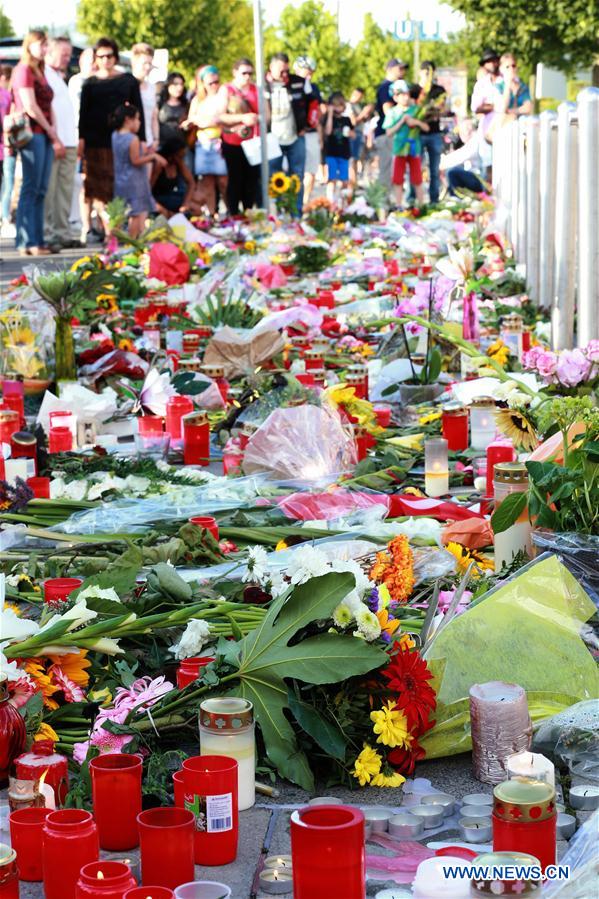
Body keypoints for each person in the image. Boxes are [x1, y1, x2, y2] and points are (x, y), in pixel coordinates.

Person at [79, 37, 145, 240]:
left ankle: (118, 229)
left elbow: (137, 109)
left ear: (115, 57)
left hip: (122, 140)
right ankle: (110, 232)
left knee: (121, 185)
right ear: (96, 58)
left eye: (109, 55)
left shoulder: (128, 80)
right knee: (99, 188)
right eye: (101, 56)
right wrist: (81, 139)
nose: (106, 59)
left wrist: (141, 139)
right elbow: (84, 114)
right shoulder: (90, 83)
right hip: (95, 142)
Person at [11, 30, 58, 256]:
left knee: (41, 189)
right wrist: (50, 131)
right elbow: (30, 105)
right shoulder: (23, 70)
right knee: (30, 188)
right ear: (29, 46)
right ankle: (25, 241)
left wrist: (53, 132)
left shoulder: (41, 71)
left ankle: (37, 240)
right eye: (41, 44)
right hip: (33, 134)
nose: (44, 49)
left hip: (46, 134)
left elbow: (50, 104)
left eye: (46, 45)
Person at [44, 37, 80, 251]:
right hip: (56, 140)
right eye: (64, 54)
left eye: (69, 55)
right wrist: (55, 138)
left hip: (69, 140)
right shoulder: (45, 75)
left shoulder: (59, 76)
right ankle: (48, 233)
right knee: (50, 189)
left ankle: (62, 231)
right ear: (51, 51)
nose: (68, 58)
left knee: (65, 190)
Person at [111, 103, 165, 237]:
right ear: (128, 120)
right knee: (136, 212)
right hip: (134, 180)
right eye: (137, 119)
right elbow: (135, 160)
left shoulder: (115, 135)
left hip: (120, 178)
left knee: (120, 211)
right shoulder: (132, 139)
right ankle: (132, 239)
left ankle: (113, 239)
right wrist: (153, 156)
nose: (139, 122)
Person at [265, 52, 309, 215]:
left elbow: (313, 102)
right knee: (275, 177)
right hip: (273, 138)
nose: (285, 75)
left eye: (287, 70)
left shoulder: (297, 82)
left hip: (295, 136)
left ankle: (295, 213)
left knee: (296, 175)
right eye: (281, 71)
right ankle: (278, 213)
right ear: (271, 68)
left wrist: (306, 124)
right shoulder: (262, 85)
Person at [218, 57, 260, 215]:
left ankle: (248, 213)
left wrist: (256, 119)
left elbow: (266, 115)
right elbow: (221, 116)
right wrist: (242, 118)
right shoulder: (227, 89)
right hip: (232, 142)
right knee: (235, 180)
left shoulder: (257, 89)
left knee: (251, 181)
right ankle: (233, 214)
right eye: (244, 73)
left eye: (250, 73)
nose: (247, 76)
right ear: (235, 73)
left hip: (253, 142)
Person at [186, 65, 227, 217]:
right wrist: (205, 121)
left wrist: (203, 120)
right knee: (207, 181)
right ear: (203, 83)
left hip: (219, 142)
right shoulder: (198, 99)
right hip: (202, 143)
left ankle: (229, 211)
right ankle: (211, 214)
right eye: (210, 83)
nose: (214, 85)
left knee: (223, 181)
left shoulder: (222, 97)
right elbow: (192, 119)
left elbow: (220, 118)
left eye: (216, 82)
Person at [383, 80, 429, 209]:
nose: (405, 97)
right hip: (399, 149)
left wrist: (416, 122)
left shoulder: (417, 110)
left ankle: (421, 206)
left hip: (414, 148)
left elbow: (426, 127)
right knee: (398, 178)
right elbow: (388, 132)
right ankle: (398, 205)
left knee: (417, 178)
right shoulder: (393, 112)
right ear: (395, 96)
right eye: (402, 94)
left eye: (407, 94)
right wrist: (402, 121)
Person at [293, 56, 323, 205]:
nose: (310, 74)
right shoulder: (290, 85)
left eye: (312, 72)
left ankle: (305, 203)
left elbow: (318, 111)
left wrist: (321, 136)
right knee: (295, 170)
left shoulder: (314, 88)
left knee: (311, 169)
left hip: (311, 133)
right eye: (307, 71)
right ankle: (292, 203)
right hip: (293, 135)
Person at [374, 58, 408, 187]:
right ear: (389, 69)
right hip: (386, 133)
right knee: (386, 170)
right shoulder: (386, 86)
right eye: (399, 68)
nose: (402, 71)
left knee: (395, 170)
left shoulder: (398, 86)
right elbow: (387, 109)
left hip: (395, 133)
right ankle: (382, 202)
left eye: (403, 68)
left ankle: (391, 201)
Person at [417, 61, 447, 204]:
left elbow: (441, 109)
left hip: (434, 133)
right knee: (416, 167)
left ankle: (434, 200)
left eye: (430, 71)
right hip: (417, 134)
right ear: (420, 72)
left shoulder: (439, 90)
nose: (428, 74)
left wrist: (432, 110)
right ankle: (415, 200)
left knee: (434, 169)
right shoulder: (415, 90)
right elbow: (414, 110)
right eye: (425, 71)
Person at [151, 135, 195, 216]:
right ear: (172, 155)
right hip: (157, 198)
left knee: (196, 209)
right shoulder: (159, 165)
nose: (182, 158)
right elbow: (148, 190)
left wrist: (186, 204)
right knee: (163, 213)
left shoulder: (179, 163)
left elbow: (191, 183)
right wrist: (159, 207)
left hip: (172, 197)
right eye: (180, 156)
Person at [324, 91, 354, 205]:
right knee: (332, 179)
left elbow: (353, 133)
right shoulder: (328, 119)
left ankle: (343, 202)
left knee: (344, 179)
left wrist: (350, 133)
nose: (338, 108)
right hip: (332, 153)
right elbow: (328, 131)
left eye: (340, 105)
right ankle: (330, 201)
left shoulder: (346, 119)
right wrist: (330, 114)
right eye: (335, 106)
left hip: (344, 153)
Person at [131, 43, 159, 159]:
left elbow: (154, 117)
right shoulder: (126, 85)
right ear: (134, 63)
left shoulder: (152, 88)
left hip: (149, 143)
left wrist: (156, 140)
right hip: (131, 142)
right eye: (144, 63)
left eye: (150, 63)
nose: (148, 67)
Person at [347, 87, 372, 185]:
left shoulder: (358, 105)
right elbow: (353, 121)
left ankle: (354, 183)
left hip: (360, 133)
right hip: (353, 134)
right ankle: (351, 183)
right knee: (352, 159)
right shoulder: (349, 106)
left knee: (357, 159)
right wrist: (363, 113)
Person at [158, 71, 189, 144]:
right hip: (162, 147)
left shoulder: (187, 104)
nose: (179, 87)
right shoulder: (159, 103)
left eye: (181, 84)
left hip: (182, 148)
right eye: (176, 84)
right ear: (168, 85)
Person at [0, 64, 13, 234]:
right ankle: (4, 216)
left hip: (3, 148)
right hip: (4, 147)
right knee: (5, 186)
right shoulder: (5, 95)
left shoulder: (5, 95)